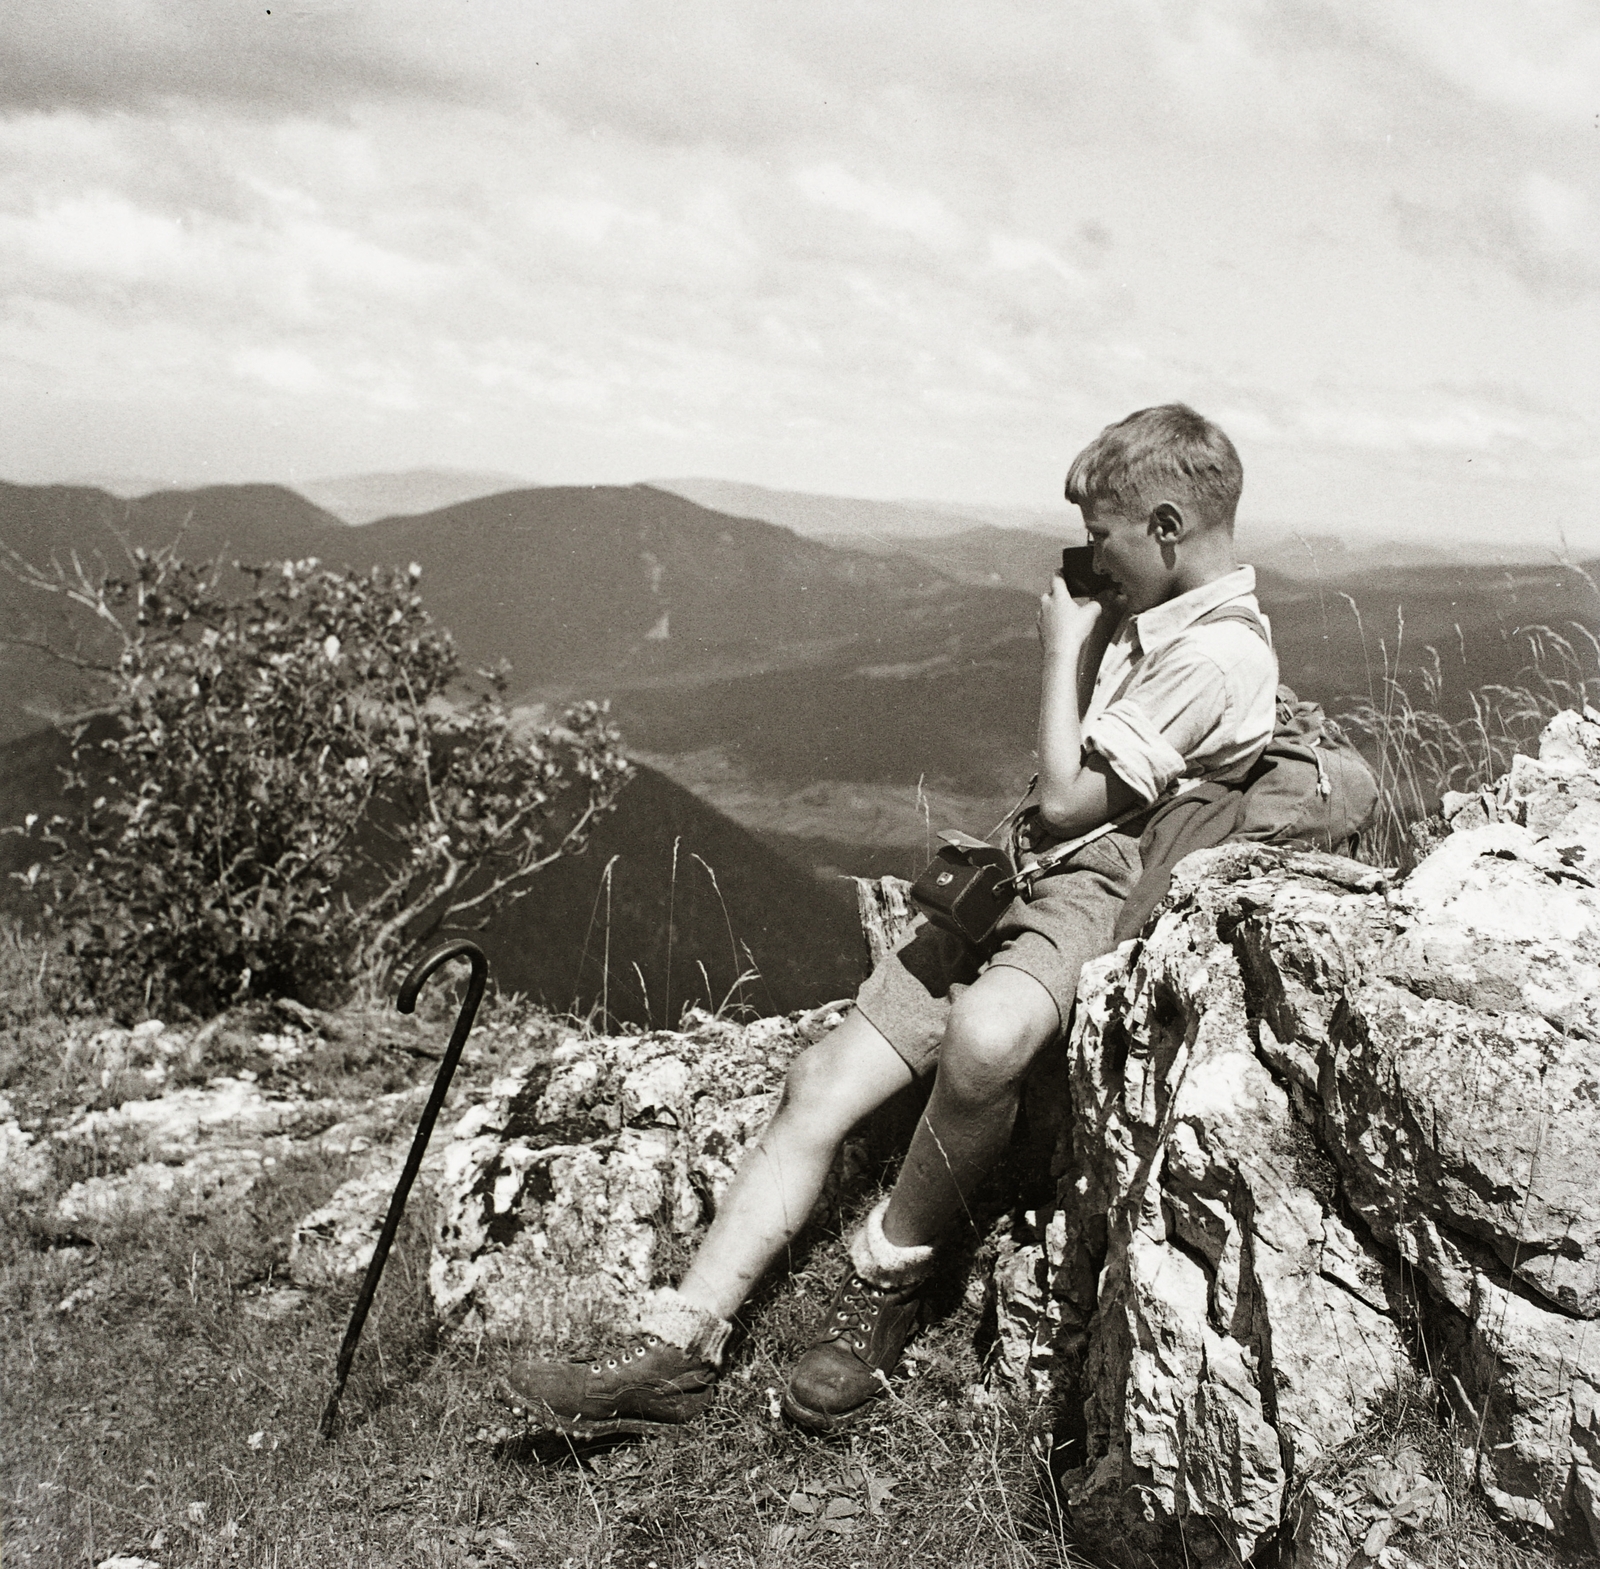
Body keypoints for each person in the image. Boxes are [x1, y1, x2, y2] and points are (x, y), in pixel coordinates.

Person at [503, 403, 1280, 1434]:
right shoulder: (1160, 623)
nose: (1093, 559)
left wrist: (1061, 649)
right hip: (1025, 872)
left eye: (1105, 537)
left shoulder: (1218, 656)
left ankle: (888, 1283)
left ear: (1169, 526)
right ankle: (678, 1348)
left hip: (1097, 883)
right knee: (818, 1081)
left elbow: (1065, 800)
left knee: (987, 1036)